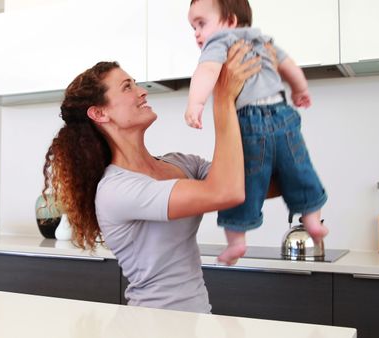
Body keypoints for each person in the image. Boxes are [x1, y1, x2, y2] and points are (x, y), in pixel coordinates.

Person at [41, 41, 259, 313]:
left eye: (135, 83)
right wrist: (223, 98)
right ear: (99, 113)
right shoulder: (116, 190)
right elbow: (226, 191)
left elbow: (245, 185)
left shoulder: (180, 163)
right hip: (153, 324)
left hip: (198, 317)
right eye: (127, 87)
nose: (142, 91)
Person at [185, 0, 328, 265]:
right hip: (284, 115)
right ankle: (312, 222)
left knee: (244, 182)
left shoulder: (220, 42)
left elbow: (205, 71)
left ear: (230, 22)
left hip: (250, 122)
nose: (196, 32)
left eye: (201, 23)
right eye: (193, 26)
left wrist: (196, 103)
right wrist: (300, 90)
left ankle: (237, 242)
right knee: (300, 168)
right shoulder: (263, 41)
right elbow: (289, 66)